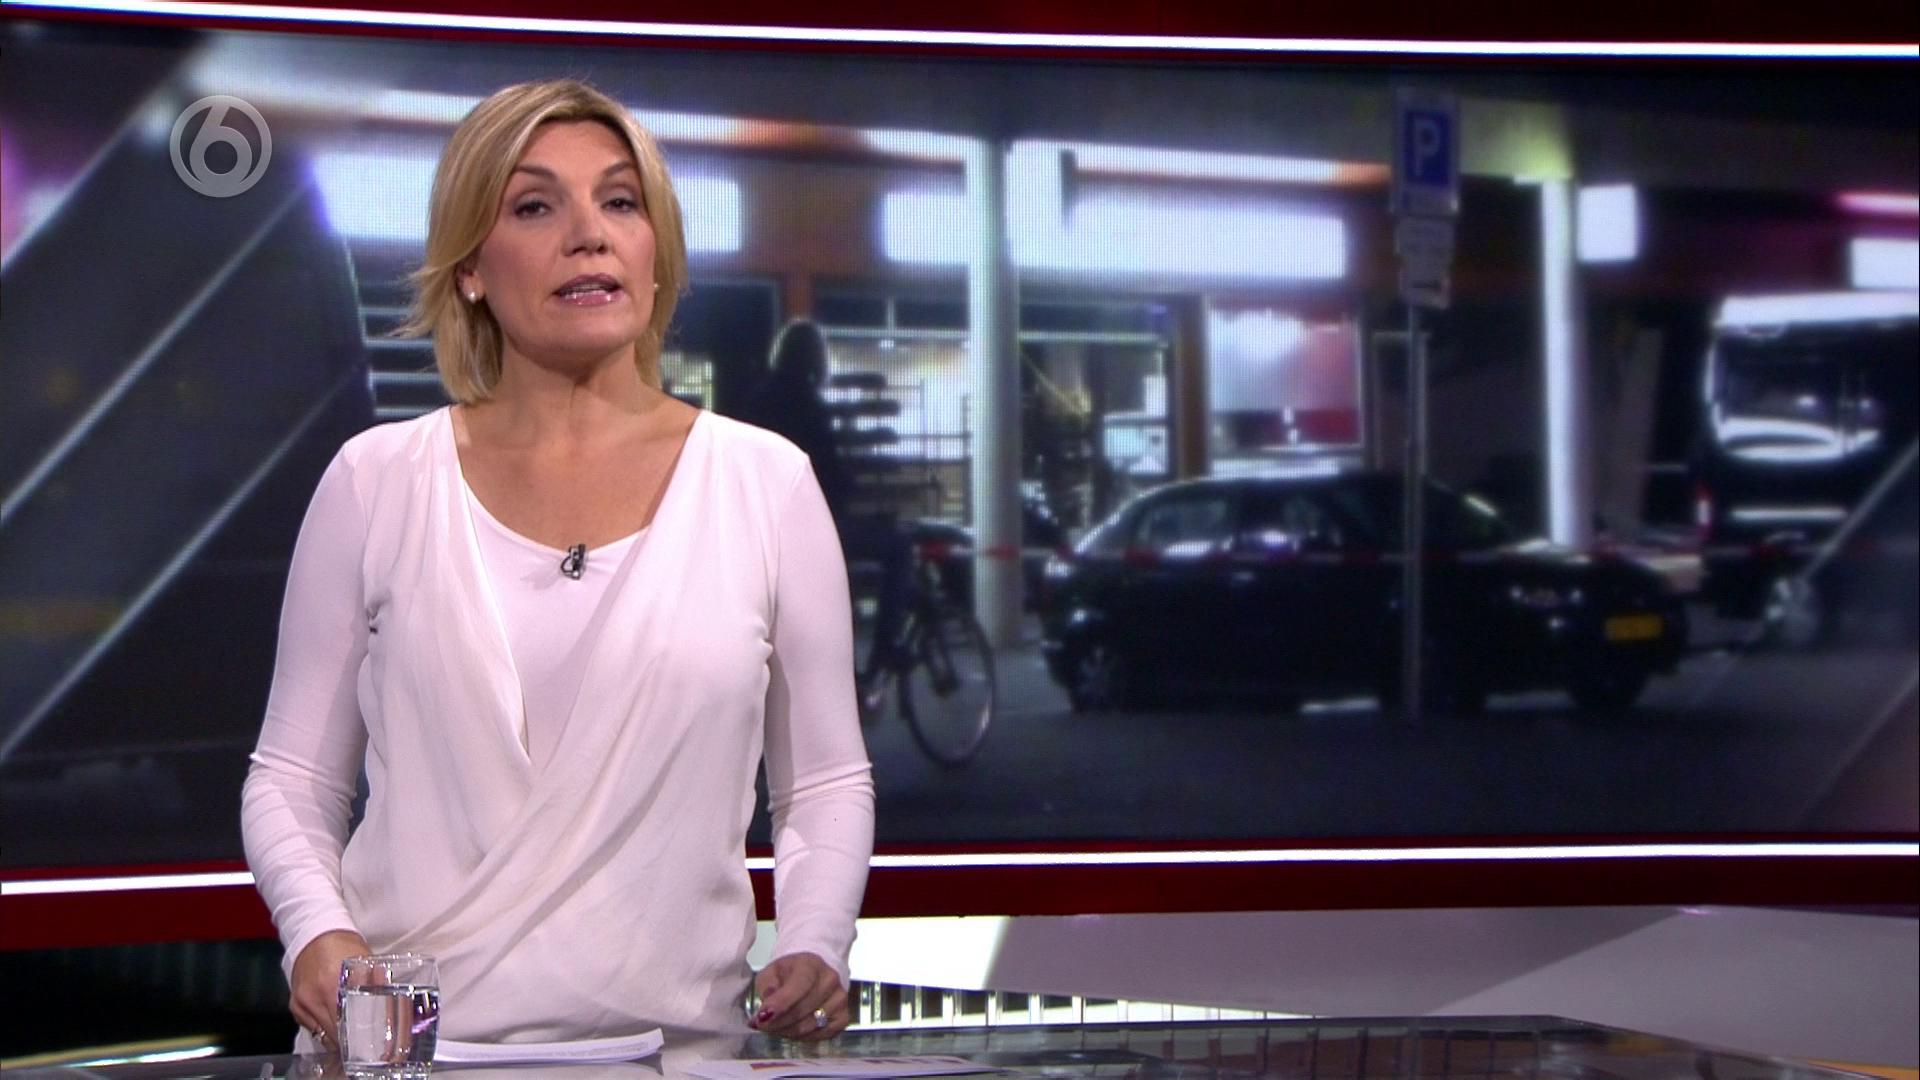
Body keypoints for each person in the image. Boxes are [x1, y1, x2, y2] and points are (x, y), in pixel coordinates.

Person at [240, 80, 874, 1053]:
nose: (590, 235)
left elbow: (823, 781)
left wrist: (818, 939)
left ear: (656, 254)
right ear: (469, 269)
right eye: (536, 206)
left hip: (677, 1057)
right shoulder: (377, 481)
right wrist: (318, 935)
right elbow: (291, 780)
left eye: (620, 201)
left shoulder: (766, 484)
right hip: (413, 1054)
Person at [739, 321, 912, 712]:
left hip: (764, 532)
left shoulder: (758, 401)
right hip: (808, 532)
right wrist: (861, 496)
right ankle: (886, 647)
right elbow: (829, 476)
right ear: (815, 359)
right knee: (898, 547)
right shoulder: (808, 406)